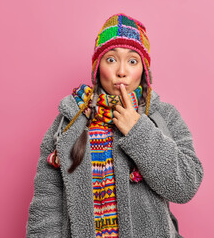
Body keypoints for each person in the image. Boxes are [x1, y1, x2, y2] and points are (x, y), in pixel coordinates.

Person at [26, 13, 204, 238]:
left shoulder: (163, 116)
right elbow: (46, 202)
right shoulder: (70, 119)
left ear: (144, 71)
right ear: (98, 67)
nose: (122, 71)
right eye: (111, 59)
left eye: (132, 61)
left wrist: (138, 130)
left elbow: (185, 185)